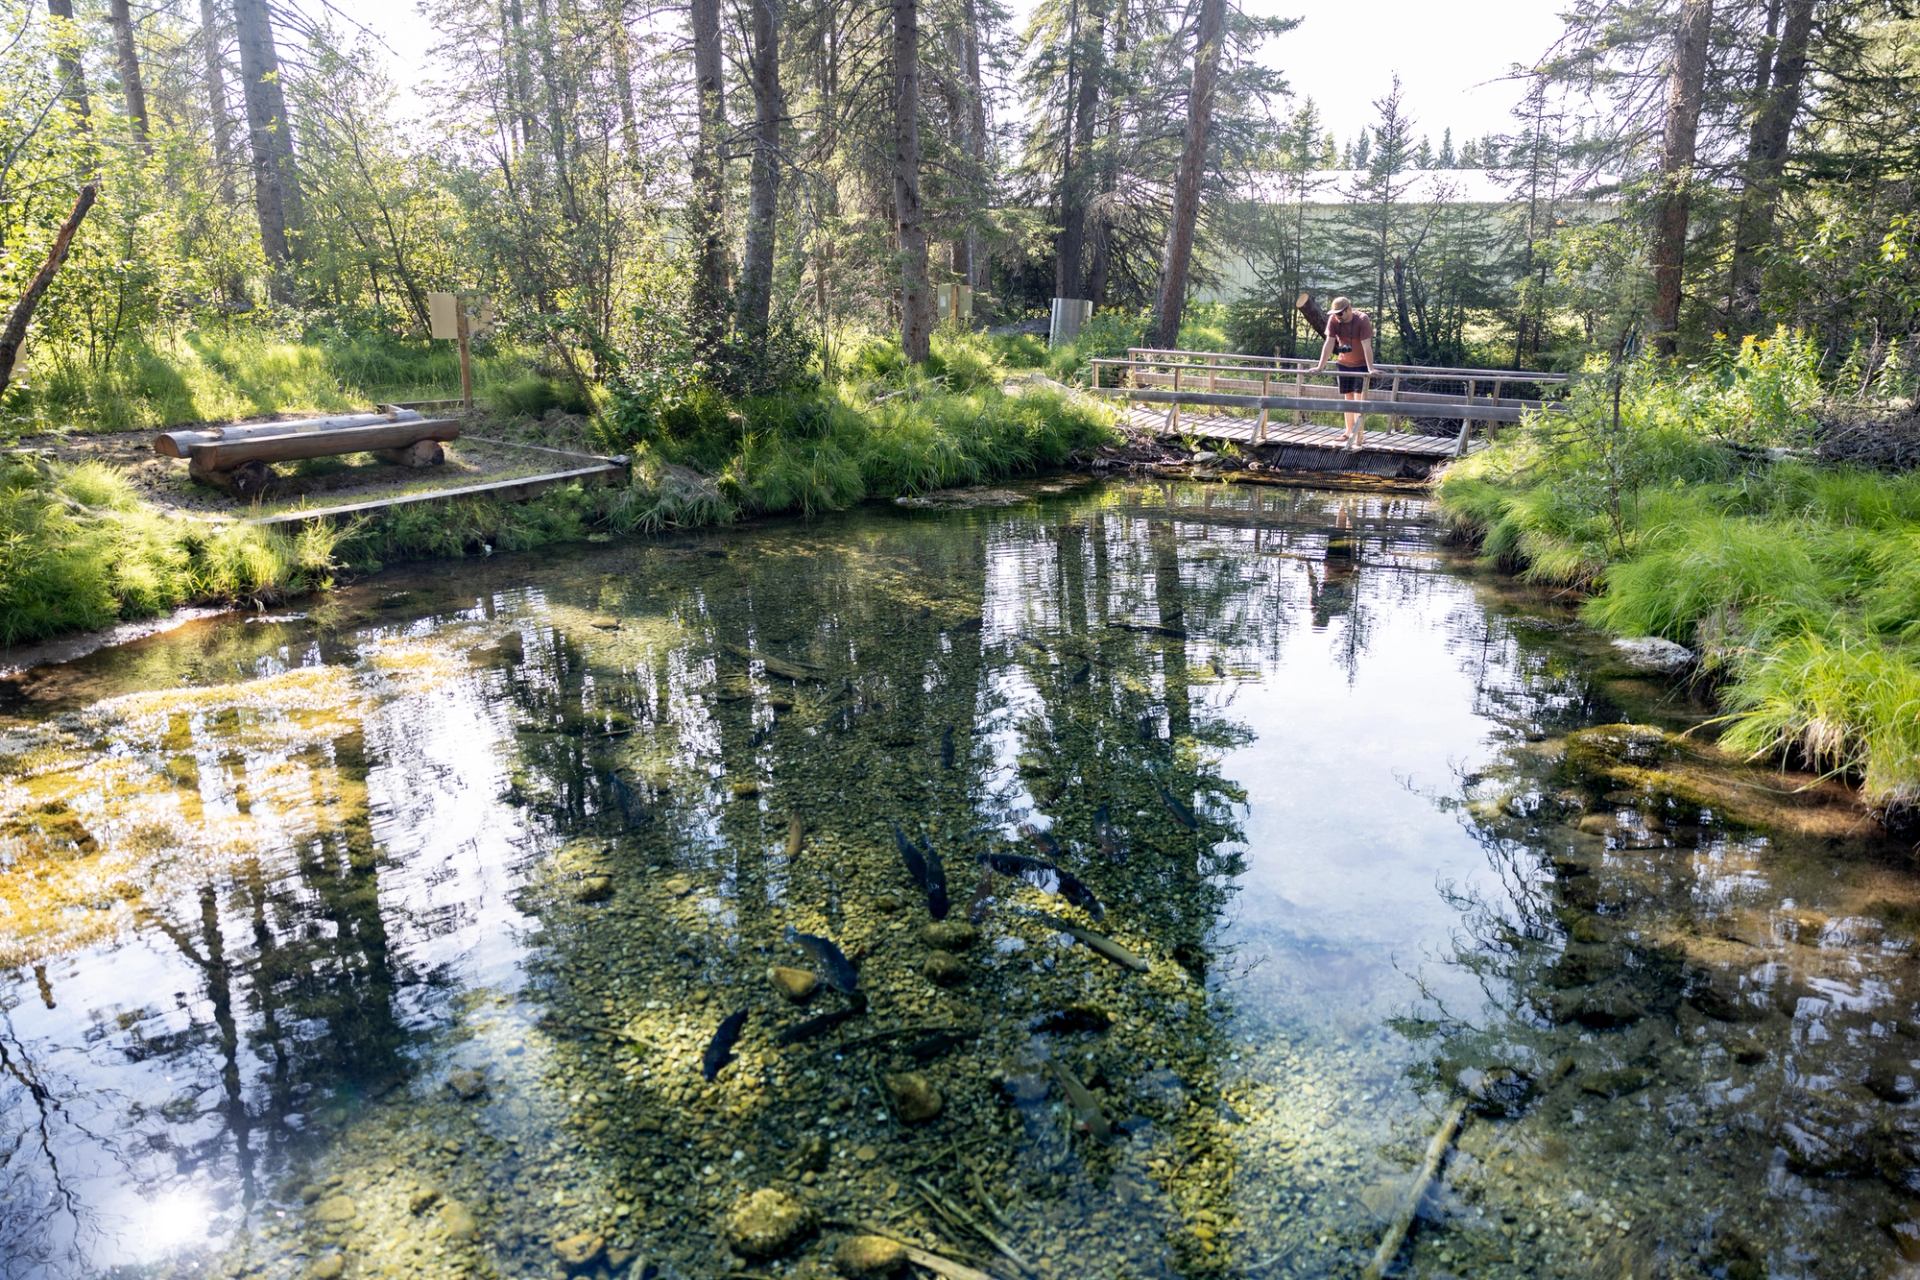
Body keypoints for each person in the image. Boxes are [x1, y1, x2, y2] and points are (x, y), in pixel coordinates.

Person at [1312, 296, 1375, 448]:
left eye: (1340, 313)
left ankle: (1359, 433)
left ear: (1348, 309)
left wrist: (1371, 368)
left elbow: (1367, 345)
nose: (1337, 316)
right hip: (1343, 364)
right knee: (1348, 397)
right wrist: (1320, 367)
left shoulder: (1362, 320)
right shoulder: (1334, 320)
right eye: (1335, 313)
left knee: (1360, 398)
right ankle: (1348, 432)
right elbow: (1329, 343)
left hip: (1360, 365)